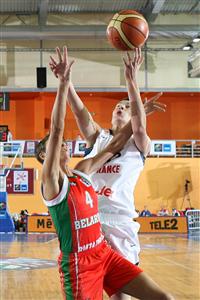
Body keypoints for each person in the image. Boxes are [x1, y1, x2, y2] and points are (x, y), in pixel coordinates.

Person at [37, 46, 174, 300]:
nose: (121, 108)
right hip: (91, 226)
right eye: (117, 107)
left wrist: (132, 85)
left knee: (122, 297)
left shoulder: (139, 144)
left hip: (120, 225)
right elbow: (78, 113)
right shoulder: (98, 139)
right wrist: (66, 82)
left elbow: (138, 127)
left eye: (126, 106)